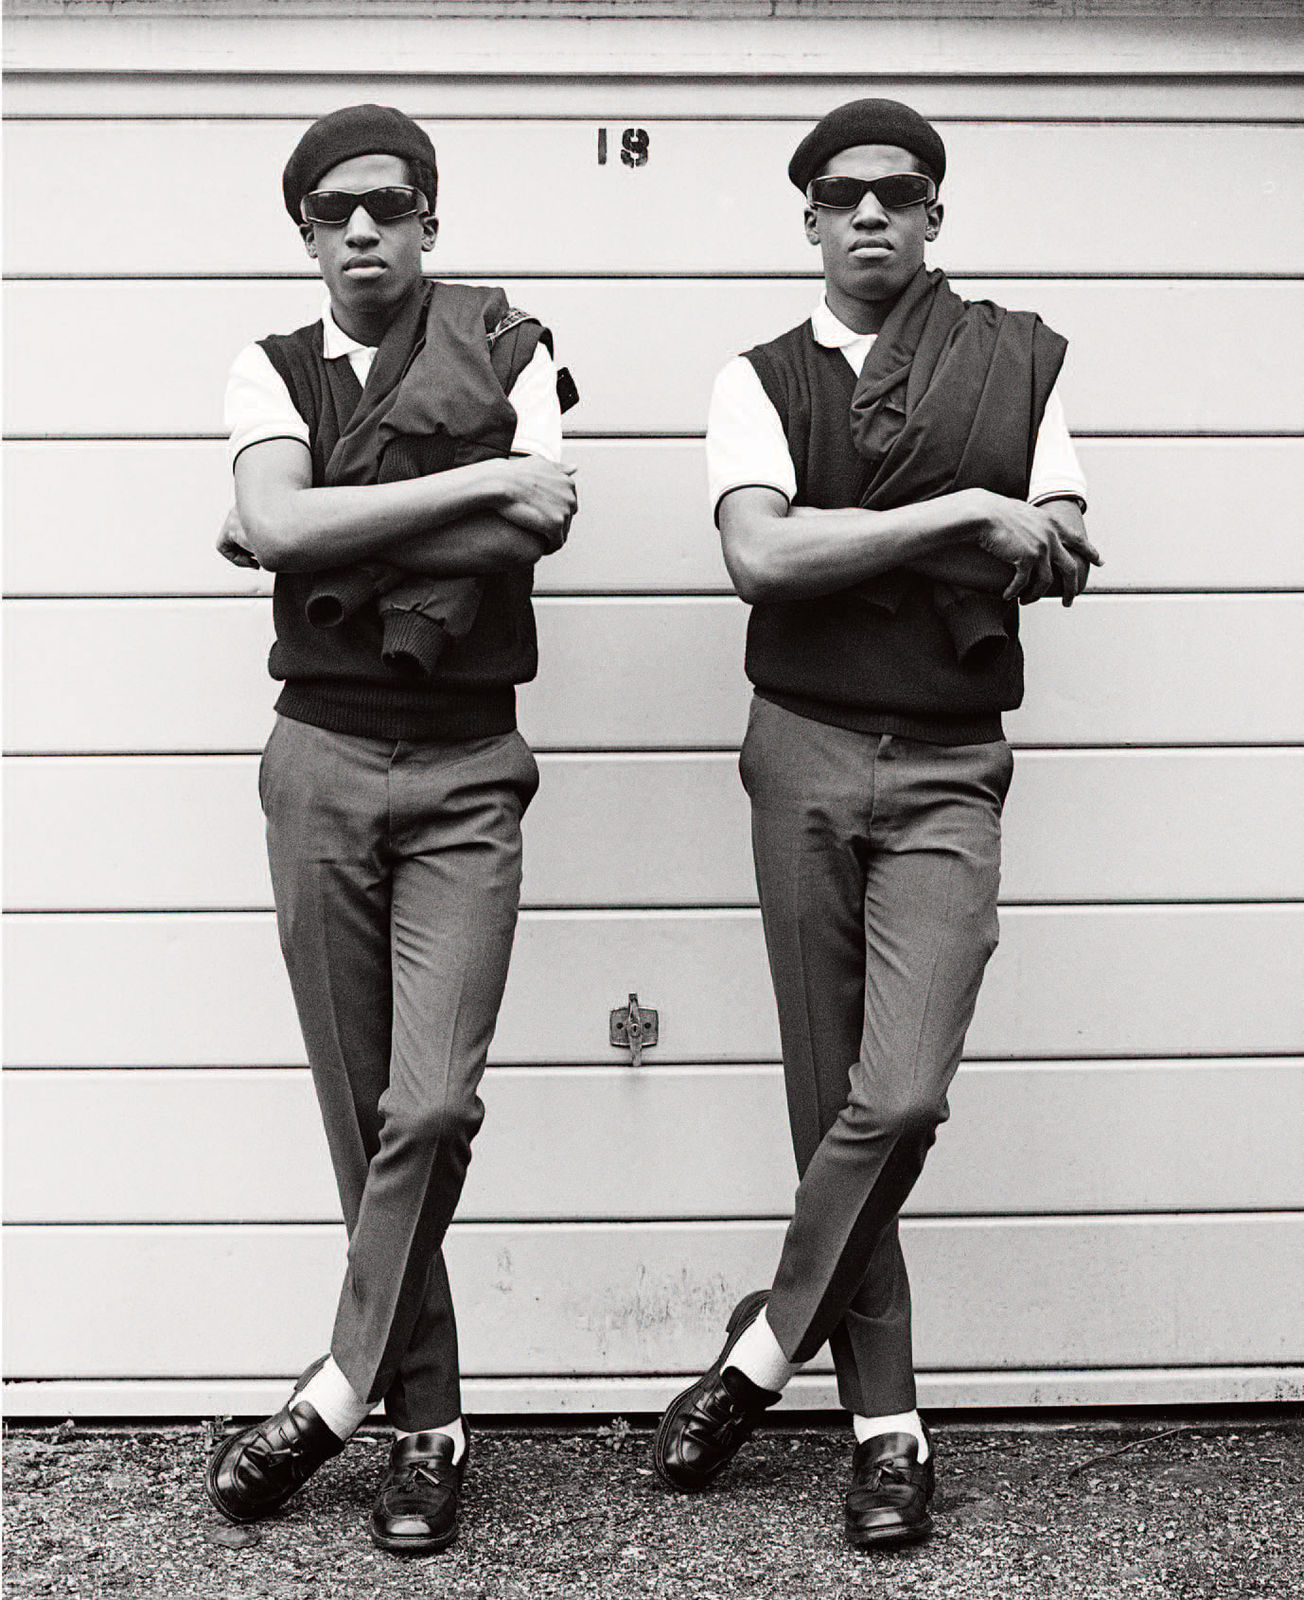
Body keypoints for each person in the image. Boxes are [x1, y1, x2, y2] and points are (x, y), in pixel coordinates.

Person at [651, 98, 1100, 1550]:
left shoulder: (1014, 362)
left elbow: (1067, 537)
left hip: (951, 764)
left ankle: (764, 1347)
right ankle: (888, 1426)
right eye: (840, 196)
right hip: (803, 747)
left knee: (897, 1098)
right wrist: (965, 511)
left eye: (898, 194)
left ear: (933, 217)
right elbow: (762, 552)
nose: (869, 217)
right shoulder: (760, 377)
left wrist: (1024, 534)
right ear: (808, 222)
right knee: (826, 1083)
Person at [204, 103, 576, 1556]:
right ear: (305, 233)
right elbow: (302, 529)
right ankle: (429, 1426)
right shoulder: (271, 363)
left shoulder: (510, 346)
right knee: (359, 1120)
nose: (363, 230)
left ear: (431, 219)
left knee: (429, 1107)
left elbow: (529, 529)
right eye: (332, 211)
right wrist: (476, 478)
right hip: (323, 764)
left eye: (390, 205)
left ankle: (341, 1384)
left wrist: (308, 519)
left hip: (471, 766)